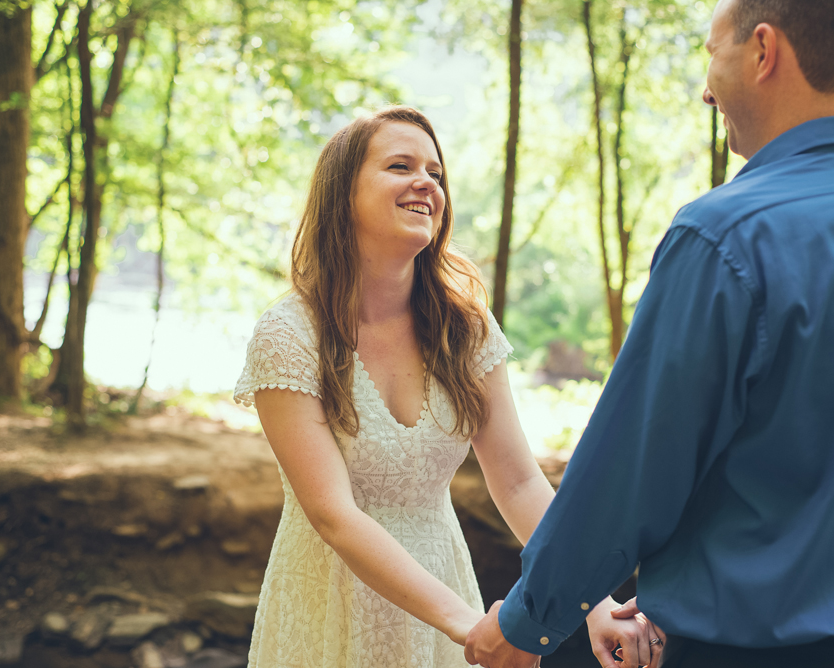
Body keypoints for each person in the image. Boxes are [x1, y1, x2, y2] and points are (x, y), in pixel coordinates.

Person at [464, 1, 834, 667]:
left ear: (763, 51)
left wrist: (529, 620)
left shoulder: (726, 235)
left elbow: (631, 469)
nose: (706, 87)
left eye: (712, 53)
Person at [233, 106, 659, 667]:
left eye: (436, 173)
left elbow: (519, 482)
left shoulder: (467, 328)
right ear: (343, 193)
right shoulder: (289, 334)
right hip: (329, 604)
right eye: (400, 166)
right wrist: (470, 626)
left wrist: (593, 604)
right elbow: (333, 514)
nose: (425, 184)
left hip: (444, 583)